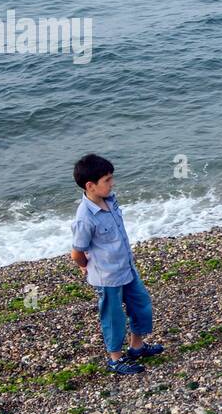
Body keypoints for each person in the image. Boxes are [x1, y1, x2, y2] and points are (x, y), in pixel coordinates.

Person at [69, 154, 163, 375]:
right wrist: (84, 266)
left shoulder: (110, 200)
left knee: (141, 304)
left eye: (112, 178)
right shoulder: (84, 218)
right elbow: (76, 252)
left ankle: (136, 347)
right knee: (113, 317)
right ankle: (115, 359)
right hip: (107, 276)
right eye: (107, 180)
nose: (112, 183)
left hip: (126, 267)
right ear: (90, 186)